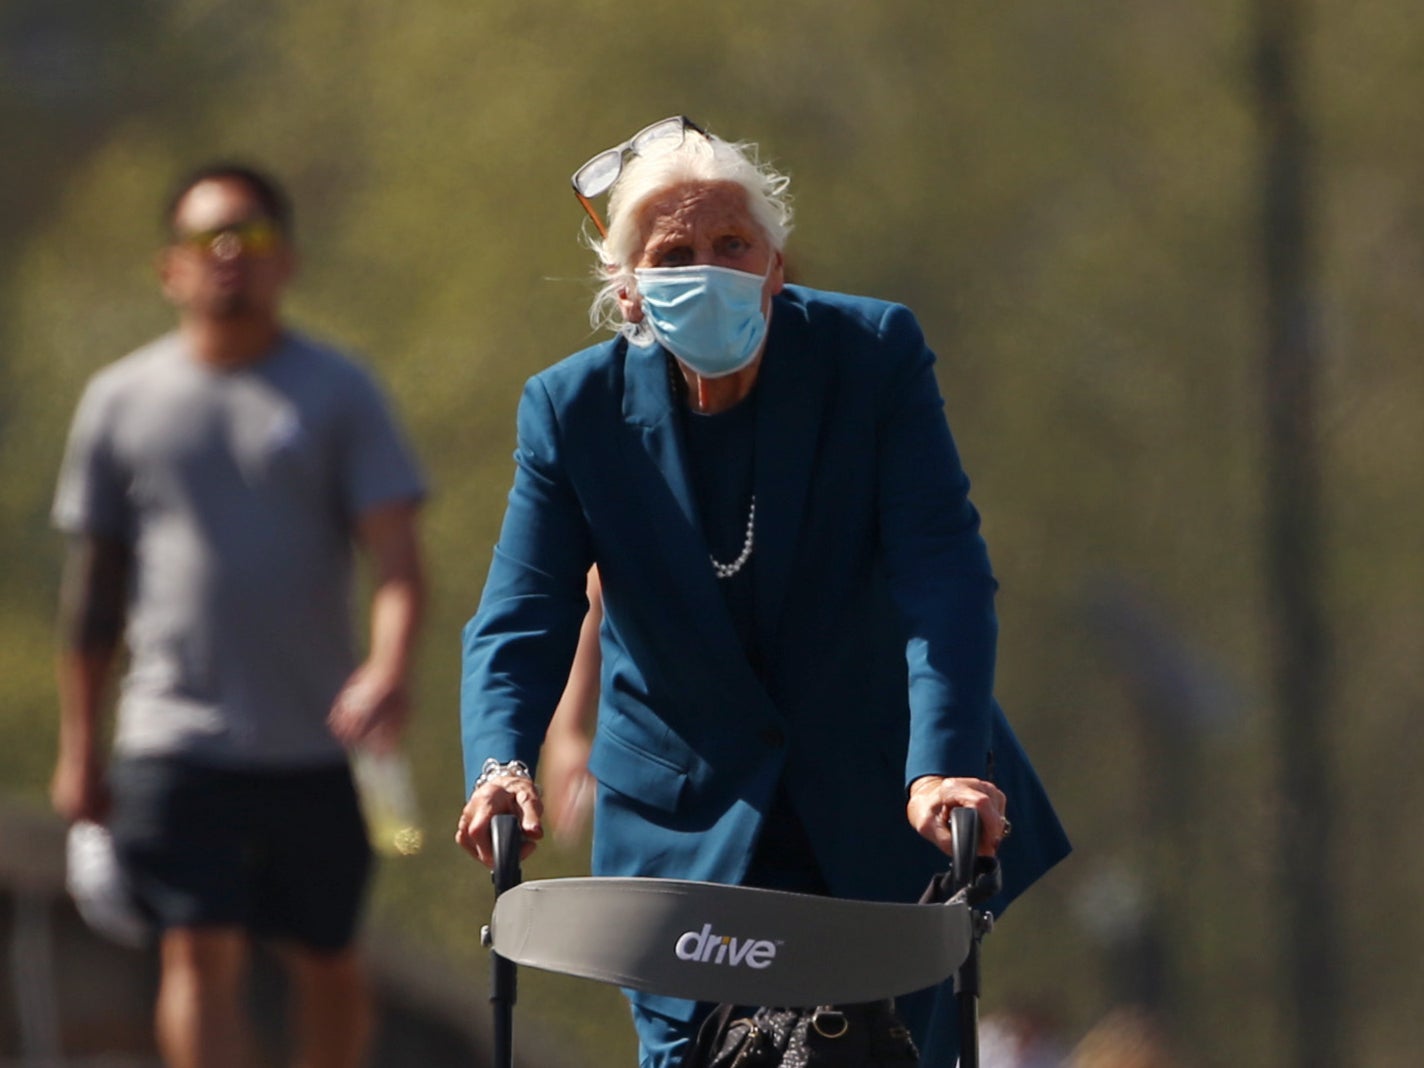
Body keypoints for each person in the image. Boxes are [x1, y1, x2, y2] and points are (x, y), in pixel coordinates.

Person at [455, 116, 1070, 1068]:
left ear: (777, 266)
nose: (709, 269)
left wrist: (939, 764)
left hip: (883, 805)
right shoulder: (571, 410)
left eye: (733, 245)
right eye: (674, 253)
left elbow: (940, 573)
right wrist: (503, 764)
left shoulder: (871, 356)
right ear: (627, 292)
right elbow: (523, 611)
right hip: (684, 830)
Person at [50, 161, 427, 1068]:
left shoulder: (338, 392)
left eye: (252, 236)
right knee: (197, 946)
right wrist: (79, 748)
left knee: (331, 957)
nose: (230, 255)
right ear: (169, 267)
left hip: (311, 739)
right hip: (173, 734)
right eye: (207, 238)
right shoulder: (120, 401)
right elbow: (95, 593)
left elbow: (399, 561)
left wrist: (387, 669)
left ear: (285, 260)